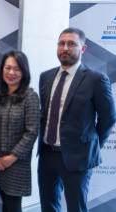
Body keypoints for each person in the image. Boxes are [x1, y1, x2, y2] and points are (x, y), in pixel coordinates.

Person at [38, 27, 116, 212]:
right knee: (48, 206)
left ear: (83, 48)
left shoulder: (96, 79)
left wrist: (91, 145)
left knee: (76, 208)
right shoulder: (46, 77)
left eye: (72, 44)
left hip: (78, 157)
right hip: (47, 155)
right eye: (62, 43)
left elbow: (108, 118)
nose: (65, 48)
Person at [0, 51, 40, 212]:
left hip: (17, 163)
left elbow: (32, 132)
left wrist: (12, 157)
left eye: (16, 69)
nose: (11, 73)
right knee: (4, 200)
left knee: (13, 206)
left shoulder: (30, 96)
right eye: (7, 67)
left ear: (24, 71)